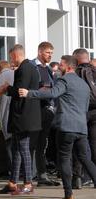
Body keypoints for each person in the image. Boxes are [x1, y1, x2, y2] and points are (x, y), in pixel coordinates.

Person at [19, 55, 96, 199]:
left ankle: (69, 196)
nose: (59, 67)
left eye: (61, 65)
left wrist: (30, 93)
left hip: (66, 126)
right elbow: (85, 106)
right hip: (81, 127)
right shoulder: (84, 84)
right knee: (86, 159)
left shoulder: (64, 80)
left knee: (64, 160)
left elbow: (52, 93)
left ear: (68, 67)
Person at [0, 44, 41, 195]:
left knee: (23, 149)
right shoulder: (30, 67)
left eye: (11, 57)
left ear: (15, 55)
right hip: (24, 116)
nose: (11, 61)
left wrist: (6, 88)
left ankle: (28, 183)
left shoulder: (25, 68)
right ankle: (13, 182)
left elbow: (20, 91)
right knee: (16, 149)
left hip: (24, 116)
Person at [29, 42, 60, 186]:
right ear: (40, 51)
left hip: (46, 111)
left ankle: (42, 176)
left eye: (51, 53)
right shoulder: (31, 66)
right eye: (48, 52)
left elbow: (52, 90)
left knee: (42, 145)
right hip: (34, 110)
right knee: (31, 145)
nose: (50, 55)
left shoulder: (48, 69)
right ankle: (28, 177)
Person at [72, 48, 96, 188]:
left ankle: (78, 178)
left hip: (81, 113)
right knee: (94, 145)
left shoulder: (77, 73)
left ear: (77, 59)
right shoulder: (94, 71)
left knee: (78, 145)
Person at [0, 60, 14, 175]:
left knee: (9, 145)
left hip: (6, 116)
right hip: (19, 116)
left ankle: (12, 171)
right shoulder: (17, 75)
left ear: (0, 69)